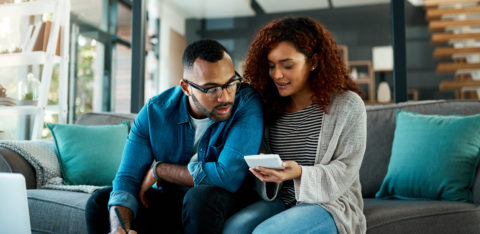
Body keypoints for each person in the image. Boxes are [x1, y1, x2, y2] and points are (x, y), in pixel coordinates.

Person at [85, 39, 263, 234]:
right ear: (186, 87)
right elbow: (128, 178)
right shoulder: (155, 112)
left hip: (223, 200)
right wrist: (120, 227)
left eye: (230, 83)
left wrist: (159, 170)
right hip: (174, 201)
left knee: (200, 198)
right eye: (211, 89)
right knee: (100, 201)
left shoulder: (246, 103)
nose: (225, 97)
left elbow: (228, 176)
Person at [223, 17, 367, 234]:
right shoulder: (268, 107)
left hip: (330, 204)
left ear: (314, 62)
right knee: (234, 229)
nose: (277, 75)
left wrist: (299, 172)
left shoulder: (347, 105)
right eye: (271, 66)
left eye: (287, 65)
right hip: (282, 201)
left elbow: (345, 169)